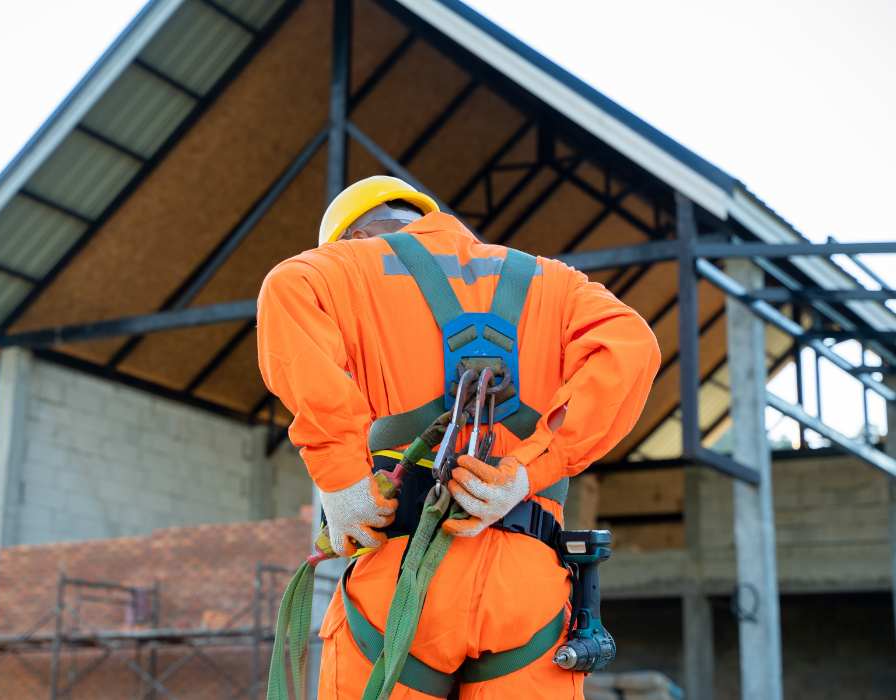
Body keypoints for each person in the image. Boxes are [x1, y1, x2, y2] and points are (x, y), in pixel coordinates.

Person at [257, 175, 660, 699]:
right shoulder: (552, 281)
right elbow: (632, 345)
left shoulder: (343, 267)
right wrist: (532, 468)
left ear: (351, 238)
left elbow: (286, 289)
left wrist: (342, 478)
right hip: (527, 579)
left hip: (401, 574)